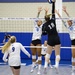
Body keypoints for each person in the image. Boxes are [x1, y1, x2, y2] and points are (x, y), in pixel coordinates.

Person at [42, 0, 61, 73]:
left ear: (45, 19)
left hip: (50, 39)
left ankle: (46, 65)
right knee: (57, 54)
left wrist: (46, 31)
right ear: (49, 18)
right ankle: (56, 65)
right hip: (56, 38)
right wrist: (53, 3)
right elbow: (53, 12)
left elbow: (43, 33)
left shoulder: (44, 25)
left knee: (48, 54)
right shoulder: (53, 20)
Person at [55, 6, 75, 75]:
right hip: (73, 41)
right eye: (68, 21)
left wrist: (65, 11)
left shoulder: (74, 24)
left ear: (71, 21)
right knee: (73, 55)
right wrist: (58, 14)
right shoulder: (67, 26)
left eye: (69, 21)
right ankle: (73, 69)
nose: (69, 22)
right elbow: (62, 19)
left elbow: (70, 16)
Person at [30, 7, 48, 75]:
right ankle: (33, 66)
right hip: (33, 41)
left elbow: (45, 20)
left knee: (39, 55)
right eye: (38, 21)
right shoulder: (34, 25)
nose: (40, 22)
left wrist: (46, 12)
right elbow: (37, 17)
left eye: (40, 21)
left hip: (38, 41)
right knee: (33, 54)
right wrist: (38, 12)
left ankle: (39, 70)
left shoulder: (41, 26)